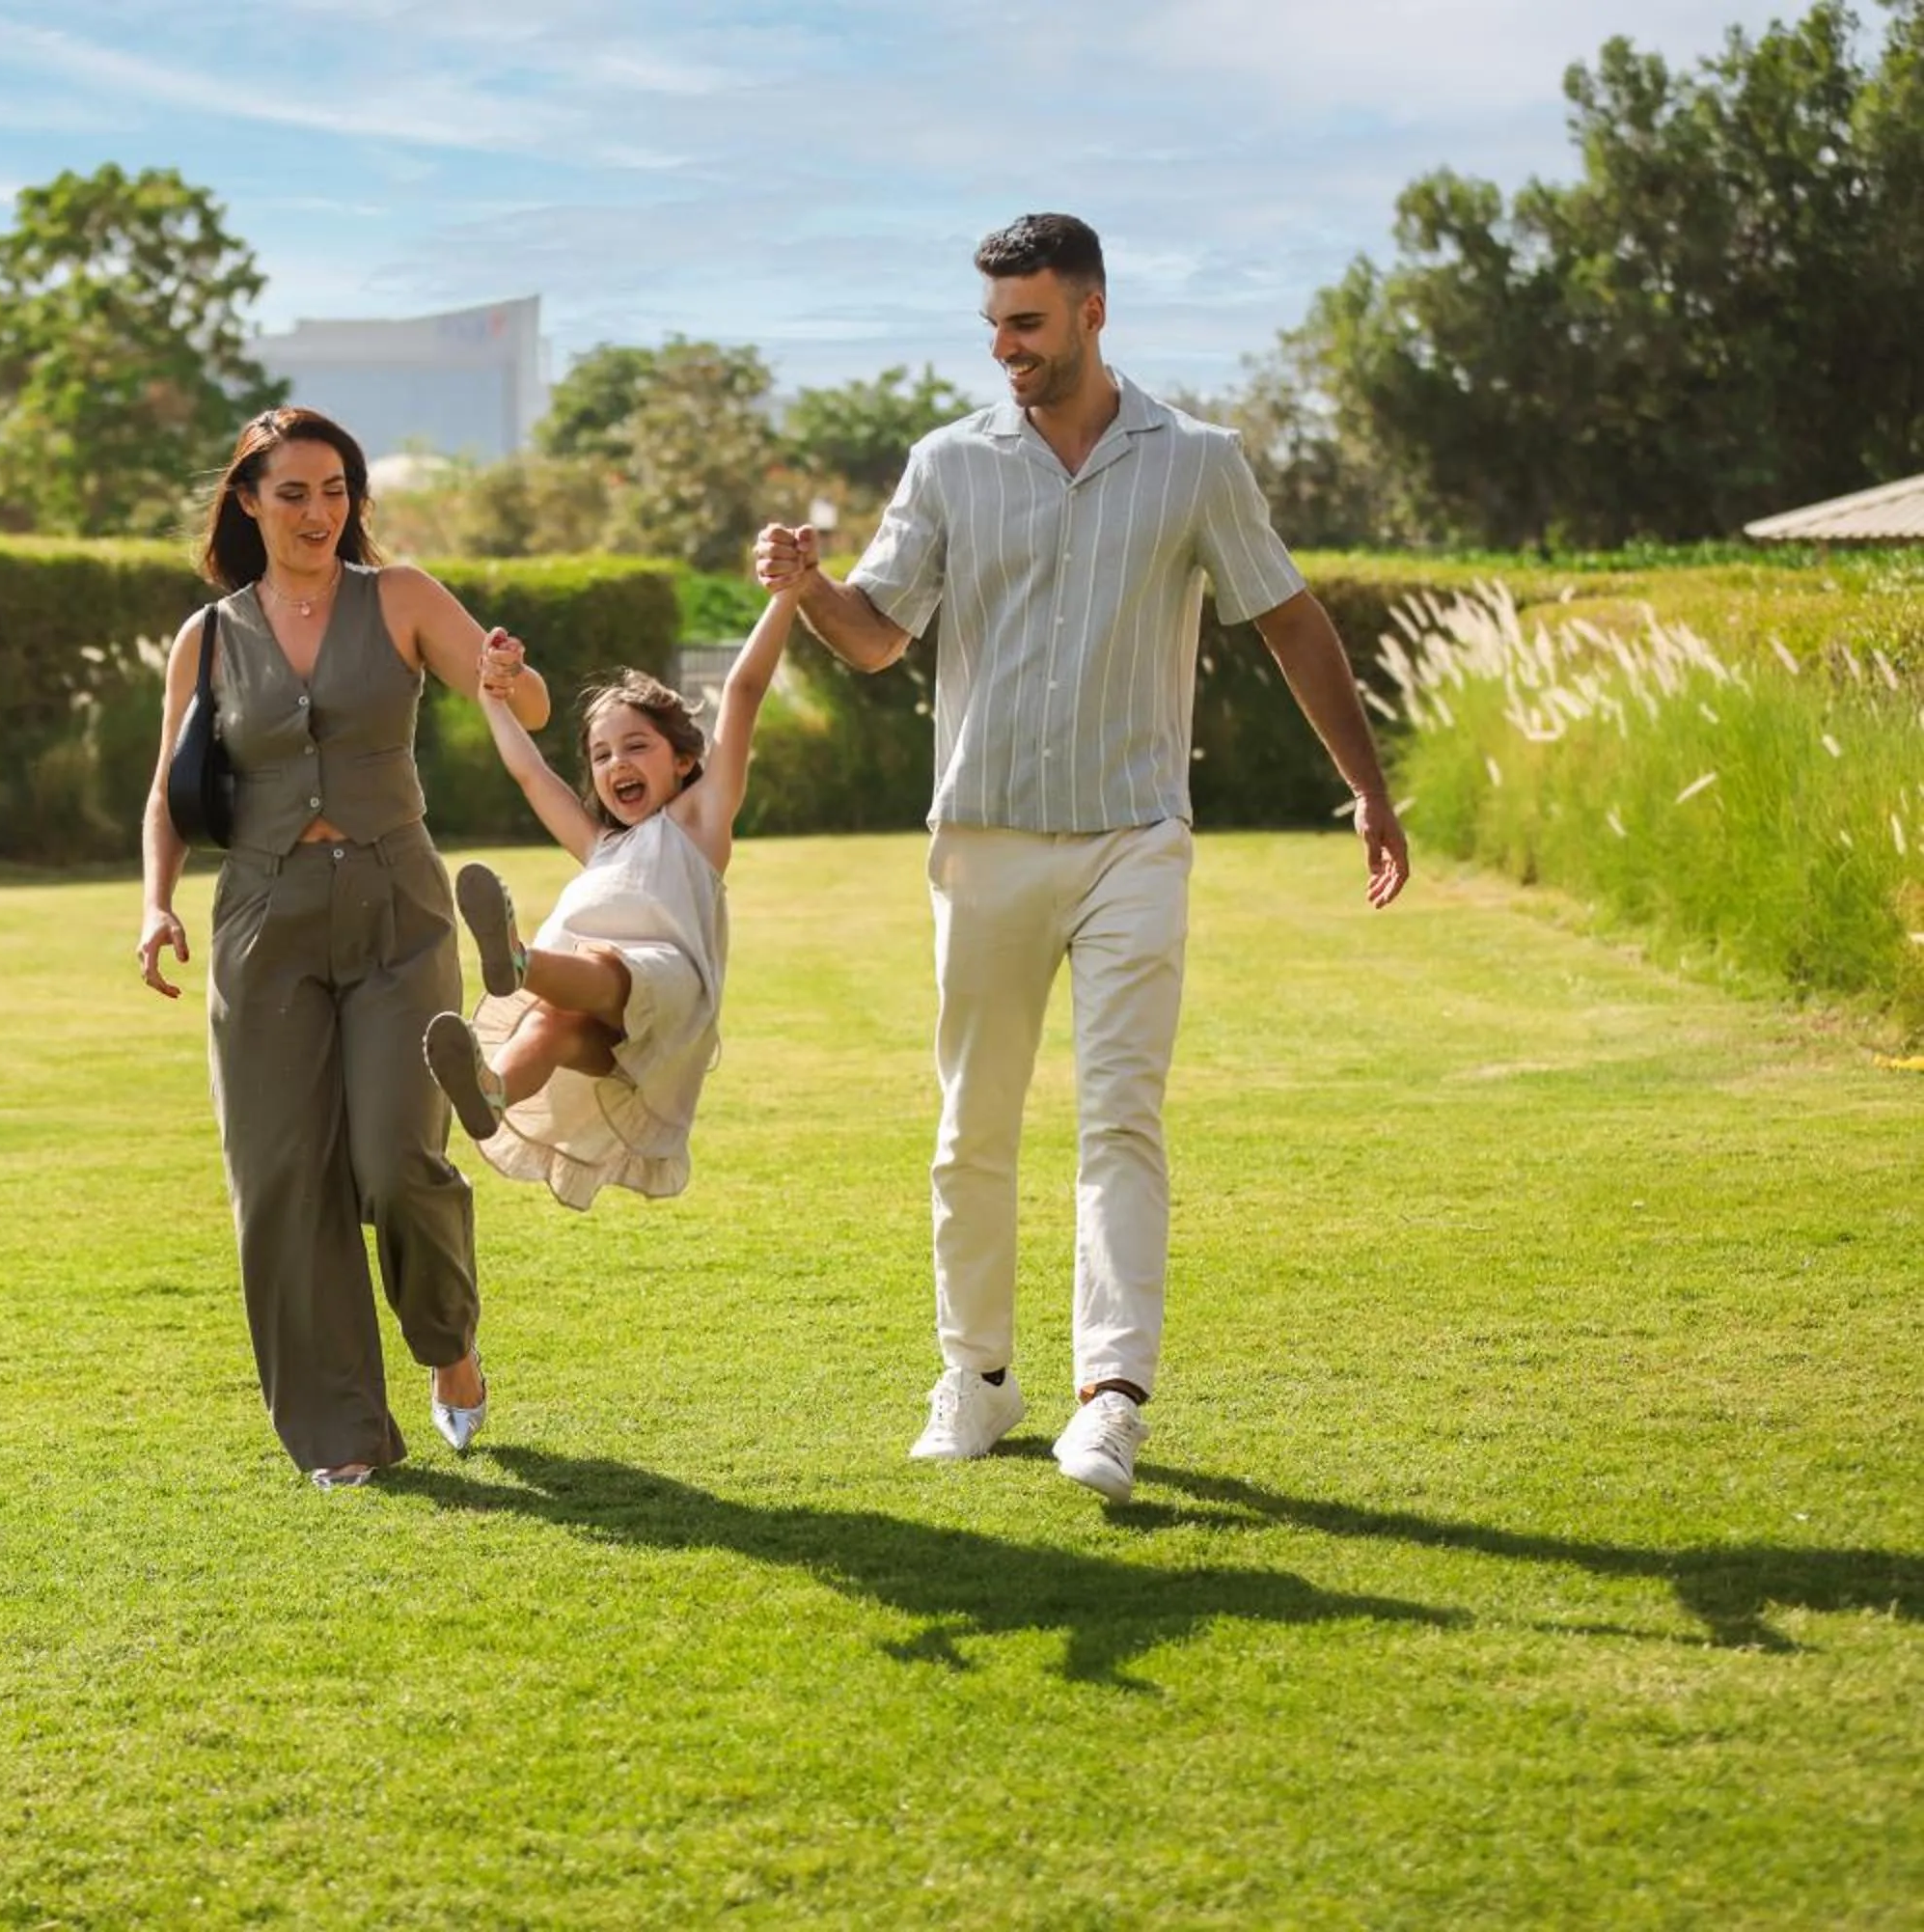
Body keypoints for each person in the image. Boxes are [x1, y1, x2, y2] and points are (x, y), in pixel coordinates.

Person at [753, 212, 1408, 1504]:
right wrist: (808, 586)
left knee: (1120, 1114)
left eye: (1029, 324)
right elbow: (878, 637)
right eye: (994, 325)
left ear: (1093, 311)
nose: (1006, 348)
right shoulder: (948, 463)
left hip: (1133, 837)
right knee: (971, 1127)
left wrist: (1368, 788)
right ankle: (978, 1376)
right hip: (984, 836)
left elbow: (1289, 620)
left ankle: (1112, 1397)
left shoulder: (1198, 463)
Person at [137, 406, 553, 1491]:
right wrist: (155, 905)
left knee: (397, 1159)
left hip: (397, 910)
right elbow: (169, 794)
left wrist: (510, 673)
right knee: (283, 1177)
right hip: (262, 919)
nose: (318, 512)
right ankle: (342, 1435)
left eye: (335, 491)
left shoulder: (401, 597)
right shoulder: (208, 636)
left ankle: (447, 1341)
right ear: (248, 502)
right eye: (293, 493)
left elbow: (527, 703)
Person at [421, 593, 793, 1210]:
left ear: (684, 759)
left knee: (605, 964)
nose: (617, 762)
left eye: (636, 746)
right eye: (602, 755)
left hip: (667, 988)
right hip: (612, 1026)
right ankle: (492, 1090)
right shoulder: (600, 845)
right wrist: (492, 700)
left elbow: (745, 688)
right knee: (550, 1023)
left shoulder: (699, 822)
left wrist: (787, 595)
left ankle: (519, 963)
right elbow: (532, 775)